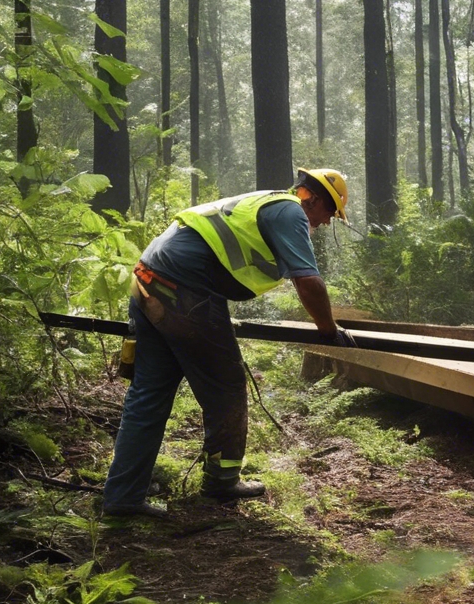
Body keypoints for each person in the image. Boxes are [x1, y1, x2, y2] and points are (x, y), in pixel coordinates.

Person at [102, 167, 357, 518]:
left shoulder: (262, 203)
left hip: (148, 280)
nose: (327, 222)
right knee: (226, 387)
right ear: (312, 198)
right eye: (329, 212)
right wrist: (330, 331)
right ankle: (221, 482)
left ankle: (122, 499)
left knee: (148, 395)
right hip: (184, 290)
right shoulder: (290, 211)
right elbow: (308, 282)